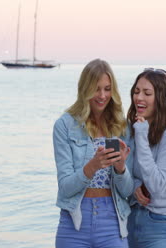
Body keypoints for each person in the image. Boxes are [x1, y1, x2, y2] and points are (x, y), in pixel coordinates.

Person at [53, 58, 134, 248]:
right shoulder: (64, 125)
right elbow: (65, 187)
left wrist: (121, 168)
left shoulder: (121, 127)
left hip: (112, 221)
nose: (102, 95)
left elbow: (127, 191)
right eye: (96, 89)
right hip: (74, 223)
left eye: (107, 89)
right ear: (84, 89)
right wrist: (93, 166)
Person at [127, 68, 166, 248]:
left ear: (160, 97)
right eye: (136, 92)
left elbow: (157, 185)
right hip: (129, 222)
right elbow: (123, 170)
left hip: (160, 228)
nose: (139, 98)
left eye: (147, 93)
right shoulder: (134, 130)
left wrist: (142, 137)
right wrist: (135, 185)